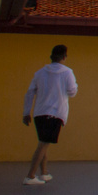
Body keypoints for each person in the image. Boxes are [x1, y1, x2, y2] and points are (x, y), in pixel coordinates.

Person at [21, 43, 78, 184]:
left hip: (39, 113)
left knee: (43, 142)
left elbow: (29, 93)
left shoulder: (40, 72)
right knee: (43, 144)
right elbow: (72, 91)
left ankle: (44, 173)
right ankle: (30, 176)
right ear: (64, 57)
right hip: (55, 113)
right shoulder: (67, 72)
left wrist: (26, 112)